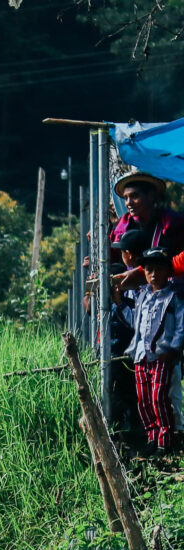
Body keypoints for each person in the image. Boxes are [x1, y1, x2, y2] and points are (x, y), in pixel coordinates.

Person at [128, 249, 184, 453]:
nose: (153, 274)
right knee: (143, 399)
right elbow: (135, 323)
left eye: (158, 270)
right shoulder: (143, 296)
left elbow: (181, 326)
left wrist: (173, 349)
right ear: (144, 273)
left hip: (162, 354)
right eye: (149, 270)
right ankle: (152, 436)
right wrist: (118, 303)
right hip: (143, 354)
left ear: (167, 271)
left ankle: (166, 438)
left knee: (159, 396)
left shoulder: (174, 296)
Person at [113, 172, 184, 298]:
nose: (129, 203)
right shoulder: (121, 228)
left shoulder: (173, 225)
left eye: (134, 196)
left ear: (151, 196)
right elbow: (112, 259)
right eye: (126, 198)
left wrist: (141, 273)